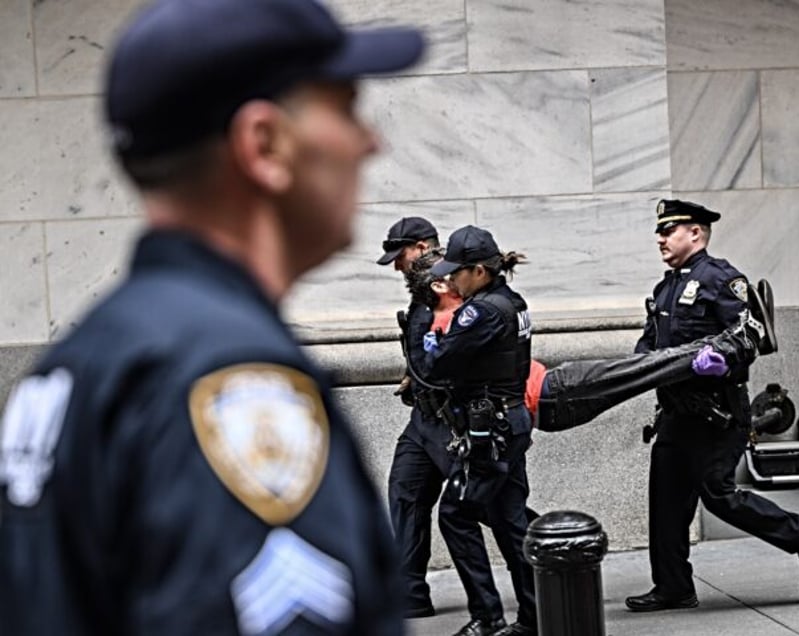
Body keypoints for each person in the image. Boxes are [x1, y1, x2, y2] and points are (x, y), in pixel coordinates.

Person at [0, 1, 425, 634]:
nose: (370, 141)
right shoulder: (229, 379)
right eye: (344, 106)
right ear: (264, 145)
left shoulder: (83, 359)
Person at [624, 199, 799, 613]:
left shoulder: (722, 279)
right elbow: (649, 344)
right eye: (660, 231)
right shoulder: (664, 288)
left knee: (719, 494)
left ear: (696, 233)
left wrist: (722, 360)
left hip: (716, 414)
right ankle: (673, 586)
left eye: (669, 230)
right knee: (665, 501)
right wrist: (641, 363)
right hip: (674, 413)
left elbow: (752, 336)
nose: (660, 238)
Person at [422, 225, 536, 636]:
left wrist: (435, 340)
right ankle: (534, 616)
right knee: (510, 519)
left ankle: (488, 617)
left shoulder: (481, 311)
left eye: (458, 272)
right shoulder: (513, 301)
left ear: (480, 271)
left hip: (491, 429)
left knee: (455, 515)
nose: (451, 279)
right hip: (511, 421)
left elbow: (439, 364)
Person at [376, 216, 451, 618]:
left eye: (399, 254)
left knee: (490, 505)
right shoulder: (423, 290)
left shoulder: (449, 284)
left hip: (451, 421)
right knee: (405, 493)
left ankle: (561, 564)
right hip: (423, 421)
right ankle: (408, 594)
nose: (395, 265)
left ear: (422, 247)